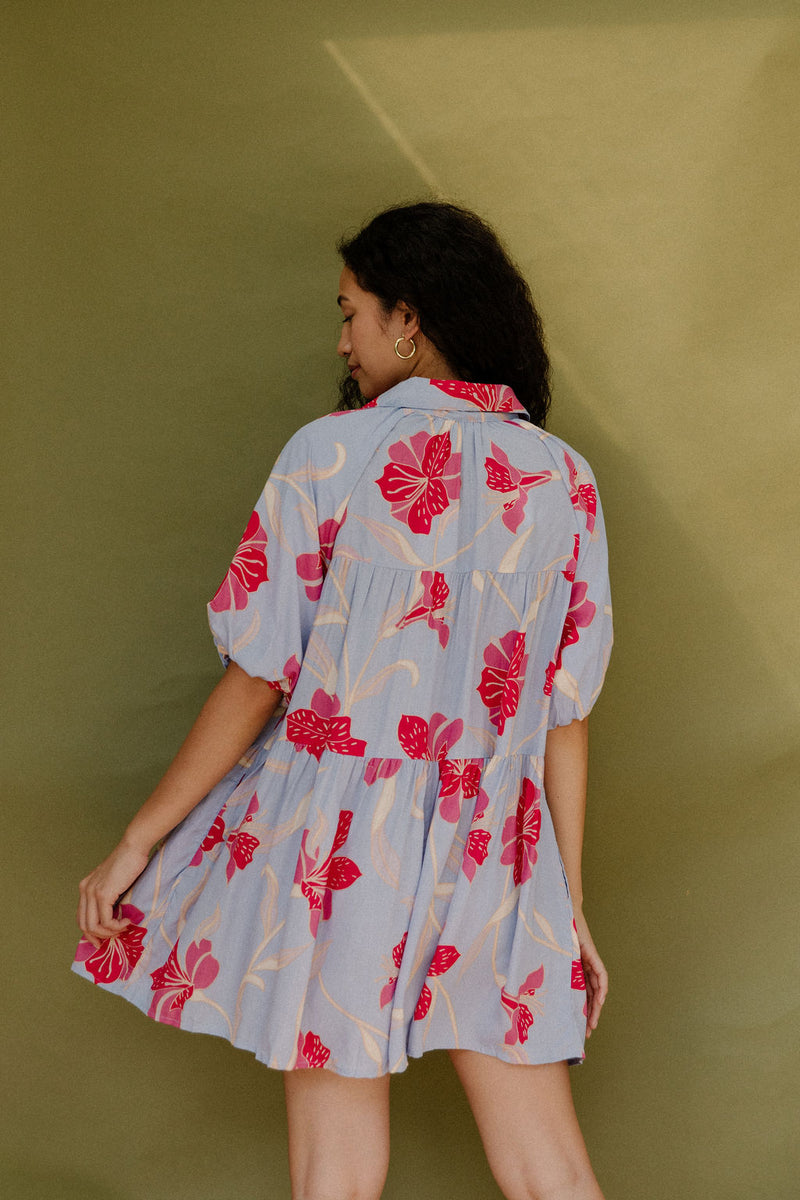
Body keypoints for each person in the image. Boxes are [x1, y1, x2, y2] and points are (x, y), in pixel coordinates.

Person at [74, 201, 613, 1200]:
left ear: (405, 318)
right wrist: (563, 904)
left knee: (335, 1173)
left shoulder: (327, 455)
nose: (341, 340)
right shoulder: (564, 481)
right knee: (550, 1169)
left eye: (351, 313)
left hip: (338, 848)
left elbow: (258, 675)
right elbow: (560, 716)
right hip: (501, 847)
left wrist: (141, 839)